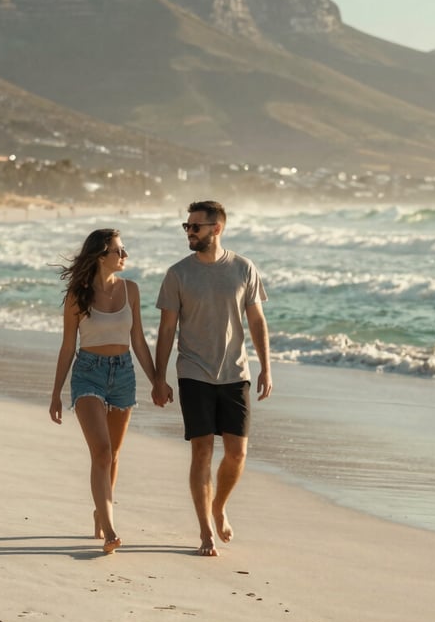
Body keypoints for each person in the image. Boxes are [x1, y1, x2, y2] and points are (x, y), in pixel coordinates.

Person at [152, 200, 272, 557]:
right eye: (186, 227)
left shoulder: (243, 268)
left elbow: (256, 321)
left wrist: (266, 366)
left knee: (237, 453)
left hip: (235, 372)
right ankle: (205, 530)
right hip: (193, 371)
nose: (189, 232)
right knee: (202, 450)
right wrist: (159, 378)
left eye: (195, 227)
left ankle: (219, 505)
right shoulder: (178, 274)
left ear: (216, 229)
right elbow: (167, 328)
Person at [49, 228, 160, 554]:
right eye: (118, 251)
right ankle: (110, 529)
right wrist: (56, 392)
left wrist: (156, 380)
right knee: (101, 451)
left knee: (113, 455)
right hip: (88, 374)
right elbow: (68, 345)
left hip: (123, 374)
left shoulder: (132, 290)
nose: (124, 256)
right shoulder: (77, 295)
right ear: (101, 256)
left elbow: (138, 340)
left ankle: (101, 510)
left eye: (124, 250)